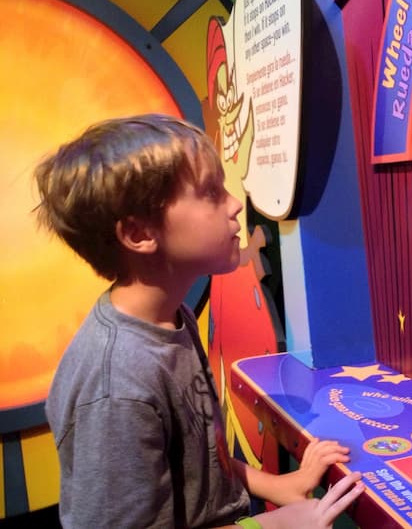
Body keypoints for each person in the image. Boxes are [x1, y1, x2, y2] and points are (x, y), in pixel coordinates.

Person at [34, 113, 364, 528]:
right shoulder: (116, 386)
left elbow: (200, 460)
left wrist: (278, 486)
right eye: (211, 193)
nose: (234, 205)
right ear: (138, 234)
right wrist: (273, 525)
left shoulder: (174, 317)